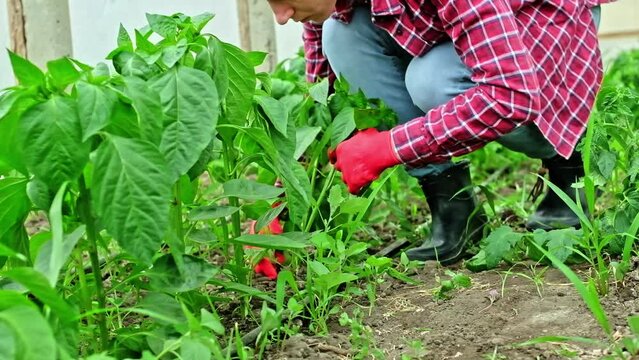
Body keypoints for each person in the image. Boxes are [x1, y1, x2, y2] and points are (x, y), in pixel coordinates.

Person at [266, 0, 611, 264]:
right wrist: (282, 200)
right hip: (473, 19)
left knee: (433, 81)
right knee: (339, 35)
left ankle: (568, 163)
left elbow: (512, 95)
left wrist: (391, 147)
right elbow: (322, 95)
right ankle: (455, 209)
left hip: (540, 15)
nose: (280, 15)